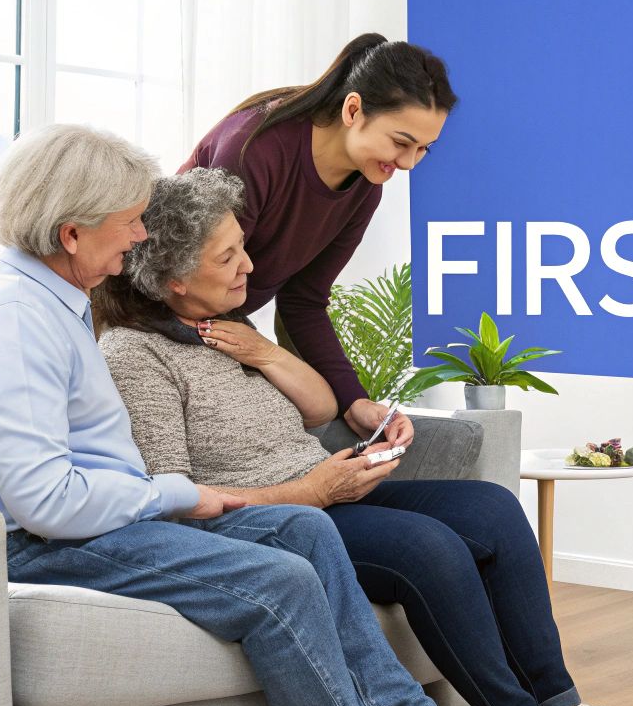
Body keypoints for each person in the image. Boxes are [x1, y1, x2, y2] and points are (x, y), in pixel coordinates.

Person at [0, 124, 529, 706]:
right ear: (71, 233)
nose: (138, 234)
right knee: (281, 582)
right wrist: (177, 495)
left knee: (303, 528)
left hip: (90, 520)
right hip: (35, 540)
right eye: (127, 222)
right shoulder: (13, 321)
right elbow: (44, 500)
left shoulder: (46, 294)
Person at [92, 167, 633, 706]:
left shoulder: (232, 329)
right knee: (429, 548)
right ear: (172, 278)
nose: (250, 266)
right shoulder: (134, 355)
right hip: (273, 521)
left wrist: (266, 354)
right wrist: (311, 493)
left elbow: (316, 411)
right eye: (228, 256)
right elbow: (171, 498)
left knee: (493, 508)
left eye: (243, 247)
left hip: (327, 490)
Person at [180, 32, 452, 458]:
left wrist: (354, 399)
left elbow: (303, 300)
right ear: (353, 109)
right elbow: (202, 280)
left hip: (217, 326)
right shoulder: (256, 148)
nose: (408, 163)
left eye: (424, 150)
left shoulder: (365, 187)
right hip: (165, 319)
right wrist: (263, 357)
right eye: (401, 142)